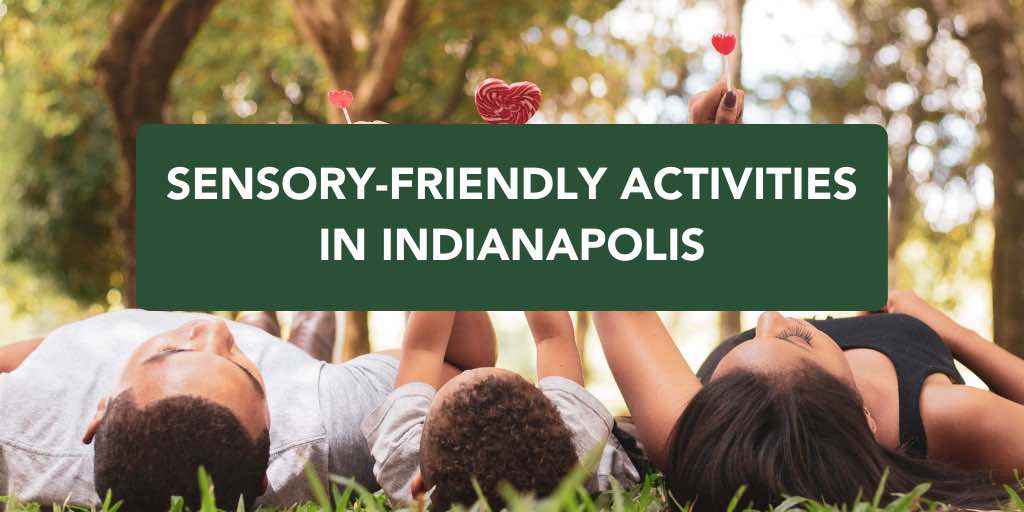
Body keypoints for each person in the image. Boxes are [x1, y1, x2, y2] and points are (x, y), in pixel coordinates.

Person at [0, 310, 495, 510]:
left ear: (99, 411)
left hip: (58, 361)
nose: (215, 332)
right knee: (295, 340)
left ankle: (265, 323)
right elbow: (466, 362)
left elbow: (32, 355)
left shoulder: (19, 416)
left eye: (171, 352)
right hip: (313, 382)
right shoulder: (328, 429)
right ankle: (299, 332)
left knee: (253, 323)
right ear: (267, 473)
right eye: (242, 364)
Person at [594, 290, 1024, 511]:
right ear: (863, 416)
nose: (768, 316)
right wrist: (951, 332)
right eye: (797, 338)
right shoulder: (947, 415)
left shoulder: (697, 441)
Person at [363, 311, 639, 510]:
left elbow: (423, 348)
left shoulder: (404, 458)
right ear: (556, 414)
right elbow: (553, 336)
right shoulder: (579, 443)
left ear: (419, 485)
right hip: (625, 442)